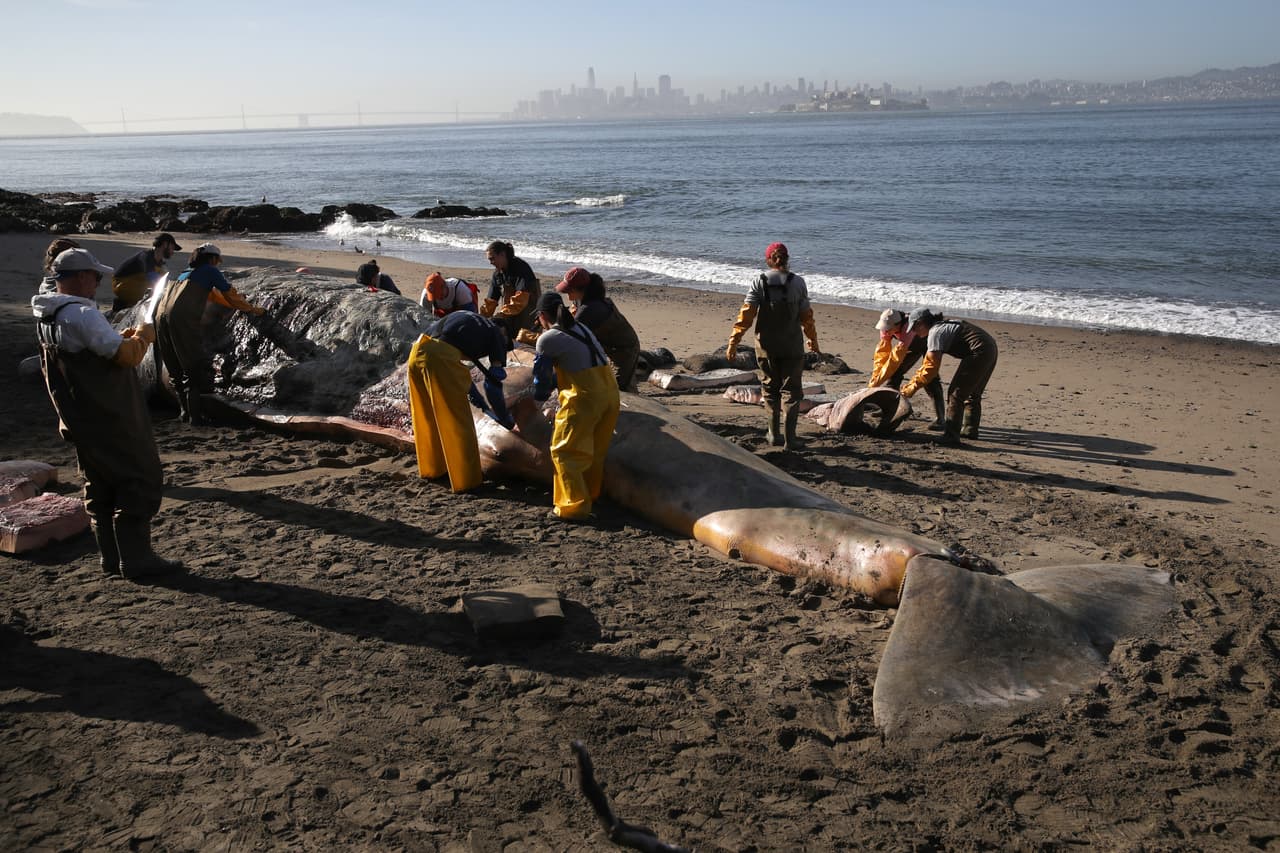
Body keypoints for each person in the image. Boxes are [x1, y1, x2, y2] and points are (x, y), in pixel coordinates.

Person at [31, 248, 179, 579]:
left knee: (98, 484)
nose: (97, 283)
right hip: (109, 414)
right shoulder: (82, 315)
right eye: (96, 277)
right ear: (82, 276)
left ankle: (110, 558)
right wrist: (142, 337)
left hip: (79, 417)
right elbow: (126, 357)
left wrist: (122, 337)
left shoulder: (47, 314)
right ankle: (137, 560)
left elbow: (95, 347)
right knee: (138, 479)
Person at [531, 291, 621, 522]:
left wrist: (536, 397)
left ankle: (573, 508)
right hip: (610, 394)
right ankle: (591, 495)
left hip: (584, 398)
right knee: (595, 450)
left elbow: (541, 381)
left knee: (564, 452)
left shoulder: (547, 339)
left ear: (542, 316)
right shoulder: (581, 328)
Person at [154, 243, 264, 426]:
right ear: (212, 258)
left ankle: (183, 411)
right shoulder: (210, 271)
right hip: (181, 318)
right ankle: (195, 417)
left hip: (161, 316)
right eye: (217, 261)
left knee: (174, 365)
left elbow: (211, 295)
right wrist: (250, 308)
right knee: (192, 366)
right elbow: (228, 293)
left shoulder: (185, 273)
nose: (217, 264)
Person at [405, 311, 515, 493]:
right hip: (439, 358)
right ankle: (467, 480)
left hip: (416, 353)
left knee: (427, 417)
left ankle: (433, 469)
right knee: (459, 422)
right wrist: (504, 418)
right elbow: (493, 387)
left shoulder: (470, 321)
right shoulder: (496, 333)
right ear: (504, 335)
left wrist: (475, 395)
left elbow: (450, 356)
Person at [725, 242, 820, 449]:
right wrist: (813, 340)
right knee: (792, 392)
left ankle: (773, 434)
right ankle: (790, 439)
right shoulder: (799, 283)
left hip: (766, 347)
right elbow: (807, 318)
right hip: (792, 347)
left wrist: (734, 341)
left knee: (769, 389)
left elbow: (746, 316)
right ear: (787, 259)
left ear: (768, 260)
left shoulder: (759, 282)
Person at [899, 309, 999, 442]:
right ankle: (969, 430)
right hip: (990, 347)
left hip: (979, 351)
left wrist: (910, 389)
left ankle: (951, 436)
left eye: (914, 328)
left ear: (921, 323)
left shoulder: (935, 333)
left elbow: (930, 368)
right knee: (972, 393)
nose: (914, 332)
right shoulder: (943, 325)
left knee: (955, 394)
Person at [554, 267, 641, 392]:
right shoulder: (586, 297)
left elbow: (571, 337)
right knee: (612, 380)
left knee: (620, 387)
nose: (568, 296)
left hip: (625, 349)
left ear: (582, 289)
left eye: (570, 291)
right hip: (609, 345)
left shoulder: (590, 310)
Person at [867, 308, 946, 431]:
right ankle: (888, 409)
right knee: (894, 374)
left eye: (888, 328)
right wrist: (875, 380)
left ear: (898, 324)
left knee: (930, 379)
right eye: (884, 328)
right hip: (910, 347)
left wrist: (876, 382)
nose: (886, 331)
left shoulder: (908, 328)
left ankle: (940, 419)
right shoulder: (886, 328)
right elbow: (882, 355)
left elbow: (895, 358)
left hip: (929, 344)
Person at [480, 240, 541, 341]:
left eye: (492, 258)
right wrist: (481, 318)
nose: (491, 263)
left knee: (523, 340)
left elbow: (521, 299)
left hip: (528, 315)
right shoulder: (497, 274)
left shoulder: (520, 267)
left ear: (502, 254)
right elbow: (491, 301)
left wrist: (501, 315)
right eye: (489, 260)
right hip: (509, 314)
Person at [110, 233, 182, 312]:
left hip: (132, 283)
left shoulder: (159, 262)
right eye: (172, 248)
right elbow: (151, 276)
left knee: (162, 275)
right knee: (154, 289)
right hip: (121, 284)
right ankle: (124, 304)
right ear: (165, 244)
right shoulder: (146, 256)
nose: (173, 252)